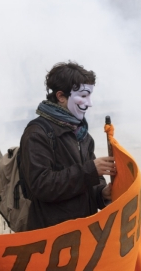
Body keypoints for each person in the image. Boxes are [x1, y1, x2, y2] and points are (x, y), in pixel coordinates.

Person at [19, 61, 116, 230]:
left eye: (90, 96)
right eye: (84, 96)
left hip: (83, 232)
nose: (90, 103)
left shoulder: (83, 134)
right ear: (61, 96)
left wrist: (101, 193)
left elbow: (88, 185)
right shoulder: (37, 133)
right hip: (53, 236)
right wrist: (90, 170)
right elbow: (41, 186)